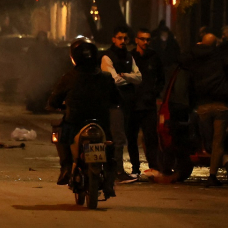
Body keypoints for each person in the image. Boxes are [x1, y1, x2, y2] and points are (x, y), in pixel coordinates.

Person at [48, 38, 120, 197]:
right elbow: (117, 100)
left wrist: (56, 105)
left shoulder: (69, 77)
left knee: (59, 134)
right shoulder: (106, 77)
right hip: (101, 122)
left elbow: (53, 101)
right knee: (110, 146)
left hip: (74, 121)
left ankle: (66, 167)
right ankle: (109, 181)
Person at [179, 33, 228, 186]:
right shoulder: (220, 58)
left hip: (203, 107)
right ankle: (214, 174)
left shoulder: (194, 59)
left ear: (201, 43)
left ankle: (222, 165)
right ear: (216, 45)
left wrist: (195, 48)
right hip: (221, 106)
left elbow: (180, 61)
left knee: (208, 142)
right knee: (218, 143)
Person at [101, 25, 142, 181]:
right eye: (120, 38)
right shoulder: (107, 57)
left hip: (127, 103)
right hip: (114, 102)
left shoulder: (128, 56)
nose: (123, 41)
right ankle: (117, 171)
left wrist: (124, 75)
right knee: (117, 138)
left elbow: (139, 78)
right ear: (113, 39)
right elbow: (113, 80)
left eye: (125, 38)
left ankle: (116, 170)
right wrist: (128, 78)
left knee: (124, 137)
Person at [129, 27, 164, 176]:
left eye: (148, 39)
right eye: (142, 39)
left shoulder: (154, 57)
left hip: (148, 104)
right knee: (131, 137)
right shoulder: (130, 57)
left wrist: (154, 93)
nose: (145, 42)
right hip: (133, 104)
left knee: (151, 136)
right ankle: (135, 168)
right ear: (136, 40)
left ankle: (153, 166)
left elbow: (161, 78)